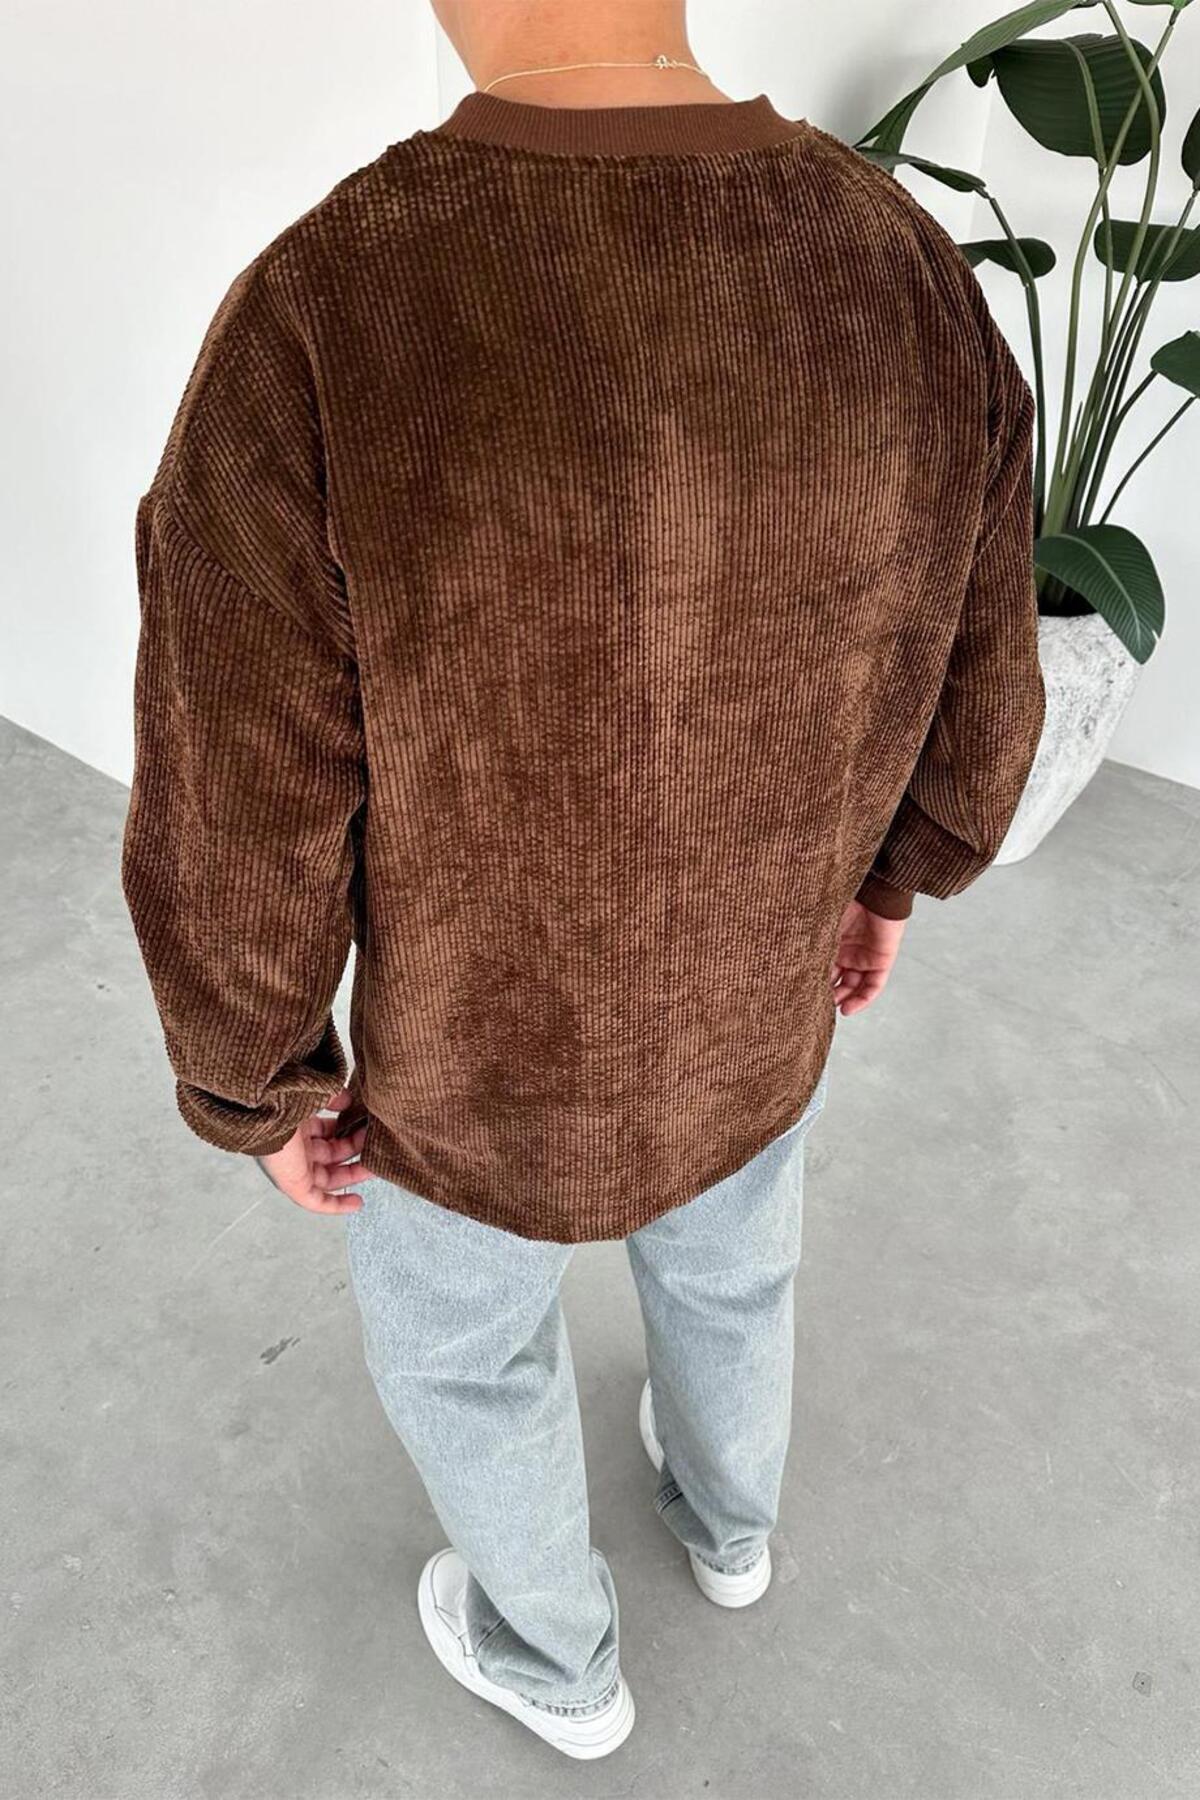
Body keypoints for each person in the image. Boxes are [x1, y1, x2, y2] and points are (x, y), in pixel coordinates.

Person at [120, 0, 1045, 1763]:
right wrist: (892, 879)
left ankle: (554, 1656)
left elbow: (241, 777)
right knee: (736, 1272)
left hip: (472, 1067)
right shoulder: (901, 269)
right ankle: (730, 1525)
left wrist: (259, 1076)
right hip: (758, 998)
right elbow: (978, 659)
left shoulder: (328, 307)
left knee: (466, 1351)